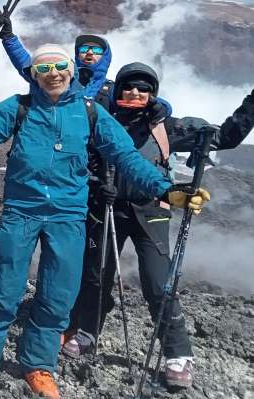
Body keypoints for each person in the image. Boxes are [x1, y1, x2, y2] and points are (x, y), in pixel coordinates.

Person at [0, 45, 211, 399]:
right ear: (34, 75)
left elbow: (127, 157)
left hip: (67, 217)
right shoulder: (18, 107)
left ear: (70, 71)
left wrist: (167, 189)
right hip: (21, 212)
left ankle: (39, 365)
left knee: (58, 295)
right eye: (44, 68)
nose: (53, 73)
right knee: (2, 290)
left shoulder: (90, 114)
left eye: (59, 66)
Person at [62, 62, 254, 389]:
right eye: (128, 87)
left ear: (153, 94)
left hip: (151, 210)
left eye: (143, 88)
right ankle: (87, 331)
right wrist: (96, 184)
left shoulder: (166, 127)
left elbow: (224, 137)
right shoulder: (98, 121)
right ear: (118, 89)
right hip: (105, 207)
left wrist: (251, 104)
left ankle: (178, 351)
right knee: (96, 274)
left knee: (157, 280)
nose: (135, 93)